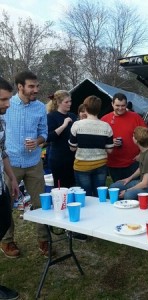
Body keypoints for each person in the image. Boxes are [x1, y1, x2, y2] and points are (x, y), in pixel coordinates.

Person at [1, 71, 50, 258]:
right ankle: (7, 241)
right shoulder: (6, 104)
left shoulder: (40, 108)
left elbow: (44, 133)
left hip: (34, 162)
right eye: (31, 86)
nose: (35, 90)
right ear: (20, 86)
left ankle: (44, 240)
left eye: (37, 86)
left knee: (41, 203)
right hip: (10, 163)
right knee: (7, 204)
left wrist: (38, 141)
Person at [69, 95, 114, 196]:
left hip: (82, 165)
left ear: (85, 107)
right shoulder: (106, 126)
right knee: (100, 195)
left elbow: (72, 148)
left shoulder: (77, 125)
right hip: (101, 165)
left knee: (85, 196)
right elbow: (110, 150)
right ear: (99, 108)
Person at [0, 77, 20, 300]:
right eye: (3, 100)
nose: (8, 104)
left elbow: (2, 152)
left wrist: (12, 178)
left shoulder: (1, 122)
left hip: (1, 186)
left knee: (5, 221)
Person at [101, 93, 147, 182]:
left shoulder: (135, 117)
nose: (120, 108)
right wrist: (110, 142)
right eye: (117, 105)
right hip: (113, 163)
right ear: (112, 104)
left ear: (126, 104)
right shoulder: (105, 120)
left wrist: (142, 154)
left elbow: (146, 137)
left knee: (134, 190)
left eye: (123, 105)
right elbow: (98, 141)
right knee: (118, 189)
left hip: (133, 162)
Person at [109, 126, 148, 199]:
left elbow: (145, 183)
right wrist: (129, 178)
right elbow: (141, 168)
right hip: (142, 182)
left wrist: (127, 191)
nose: (132, 137)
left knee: (129, 195)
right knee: (114, 187)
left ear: (136, 140)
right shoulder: (146, 147)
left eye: (133, 136)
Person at [47, 90, 77, 188]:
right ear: (59, 103)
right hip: (58, 158)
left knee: (73, 185)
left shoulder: (72, 116)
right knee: (61, 187)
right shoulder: (51, 116)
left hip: (72, 156)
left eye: (70, 101)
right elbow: (49, 137)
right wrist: (64, 125)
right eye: (66, 102)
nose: (70, 104)